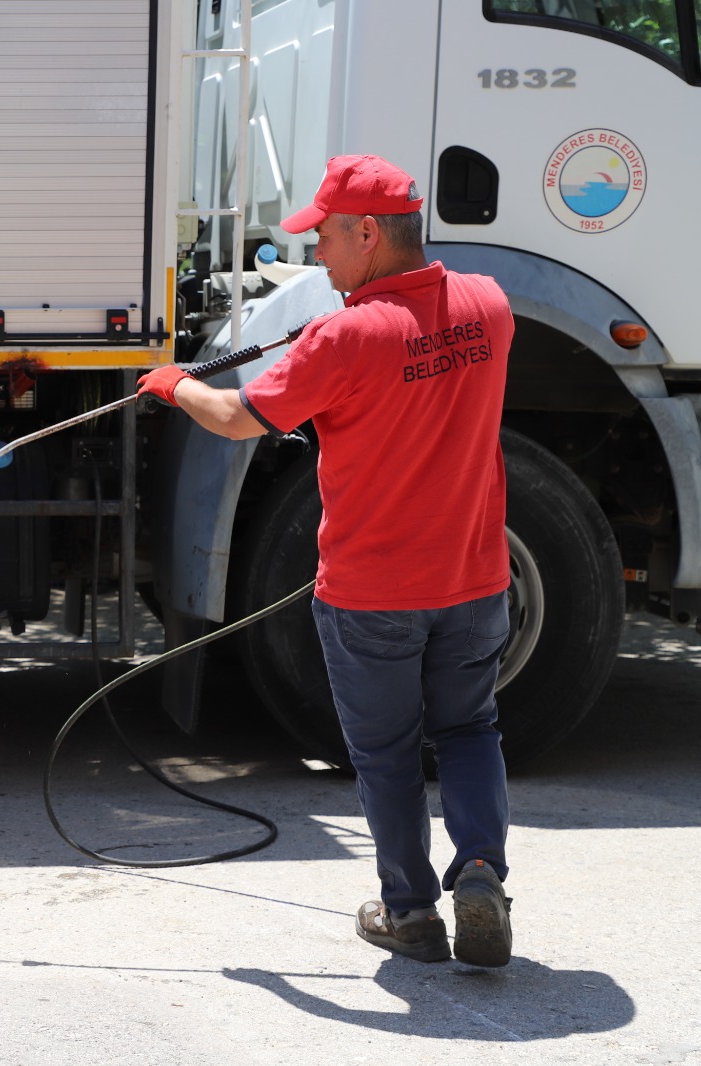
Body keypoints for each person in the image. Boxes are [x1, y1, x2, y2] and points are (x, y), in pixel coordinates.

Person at [138, 154, 515, 967]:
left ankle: (411, 914)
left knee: (385, 751)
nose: (321, 260)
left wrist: (171, 384)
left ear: (369, 232)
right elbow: (419, 344)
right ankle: (481, 871)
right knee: (470, 728)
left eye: (328, 241)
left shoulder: (346, 335)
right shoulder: (489, 307)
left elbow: (240, 418)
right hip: (478, 580)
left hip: (373, 593)